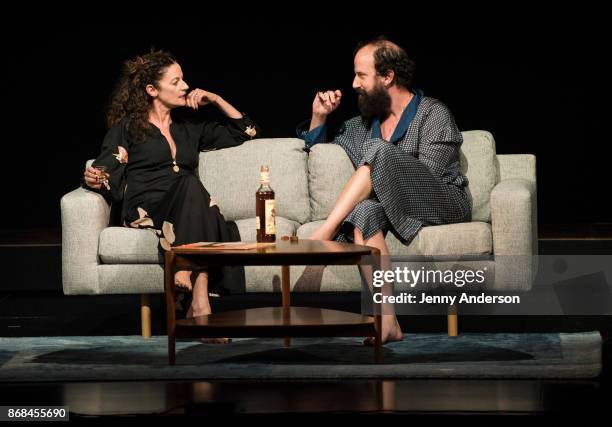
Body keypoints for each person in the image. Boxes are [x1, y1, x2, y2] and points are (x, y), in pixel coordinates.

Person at [297, 37, 471, 344]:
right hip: (394, 207)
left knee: (378, 151)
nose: (353, 84)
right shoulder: (361, 126)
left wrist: (384, 162)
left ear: (387, 76)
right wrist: (319, 117)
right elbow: (317, 154)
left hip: (443, 201)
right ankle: (388, 320)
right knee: (363, 211)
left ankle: (324, 233)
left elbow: (426, 179)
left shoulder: (433, 114)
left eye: (361, 75)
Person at [83, 50, 260, 330]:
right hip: (148, 208)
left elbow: (246, 130)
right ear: (152, 90)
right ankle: (199, 302)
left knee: (198, 197)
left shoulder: (189, 130)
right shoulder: (128, 128)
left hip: (187, 206)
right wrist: (95, 177)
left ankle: (197, 296)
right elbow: (107, 164)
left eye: (184, 80)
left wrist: (215, 98)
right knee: (199, 195)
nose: (185, 86)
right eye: (176, 81)